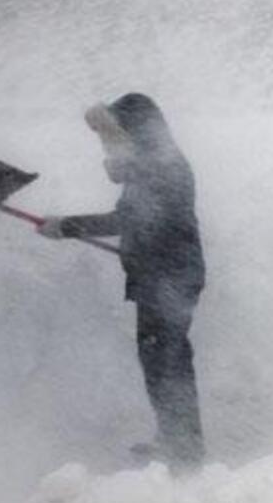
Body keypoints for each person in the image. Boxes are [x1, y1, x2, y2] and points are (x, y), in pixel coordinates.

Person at [38, 93, 206, 469]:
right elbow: (130, 212)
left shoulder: (162, 167)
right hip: (160, 274)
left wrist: (65, 226)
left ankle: (186, 452)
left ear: (139, 133)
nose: (110, 145)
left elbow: (127, 220)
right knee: (159, 360)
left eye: (118, 135)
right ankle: (175, 439)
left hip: (171, 278)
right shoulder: (153, 163)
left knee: (167, 361)